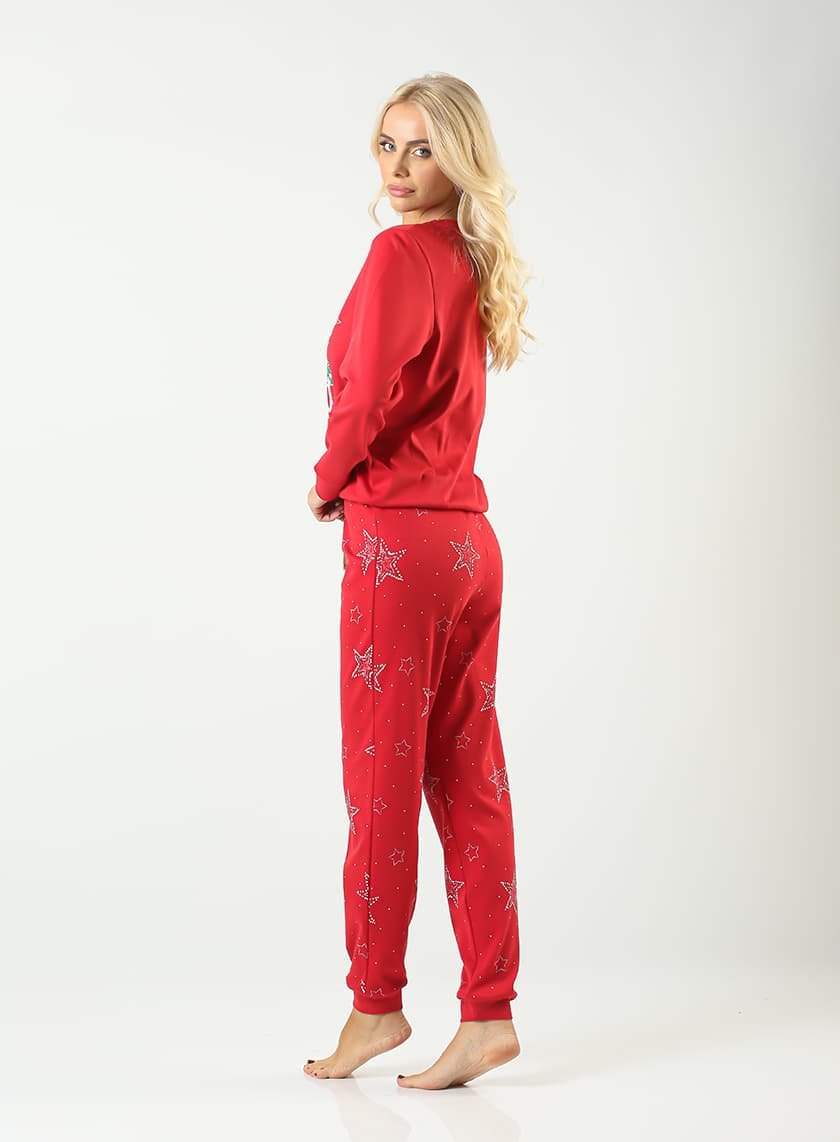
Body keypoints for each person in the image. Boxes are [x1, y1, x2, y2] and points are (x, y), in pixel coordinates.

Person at [305, 72, 535, 1089]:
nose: (399, 167)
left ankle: (376, 1003)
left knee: (381, 780)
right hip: (470, 547)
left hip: (398, 548)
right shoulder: (469, 260)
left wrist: (328, 481)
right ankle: (489, 1013)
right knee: (470, 777)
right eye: (388, 145)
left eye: (424, 149)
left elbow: (365, 395)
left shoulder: (400, 255)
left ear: (460, 158)